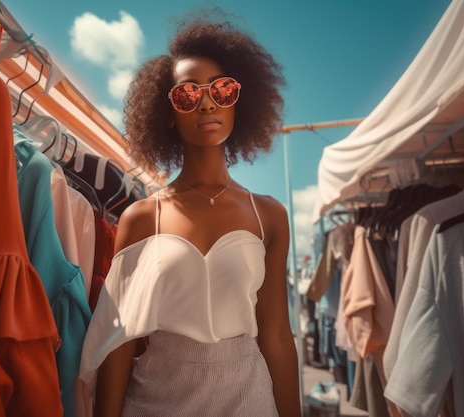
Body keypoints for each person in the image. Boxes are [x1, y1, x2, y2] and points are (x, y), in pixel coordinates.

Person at [78, 13, 302, 417]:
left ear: (239, 102)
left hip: (248, 400)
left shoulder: (269, 215)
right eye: (187, 95)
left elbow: (277, 337)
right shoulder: (142, 217)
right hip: (155, 402)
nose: (205, 102)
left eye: (222, 90)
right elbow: (120, 341)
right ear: (167, 112)